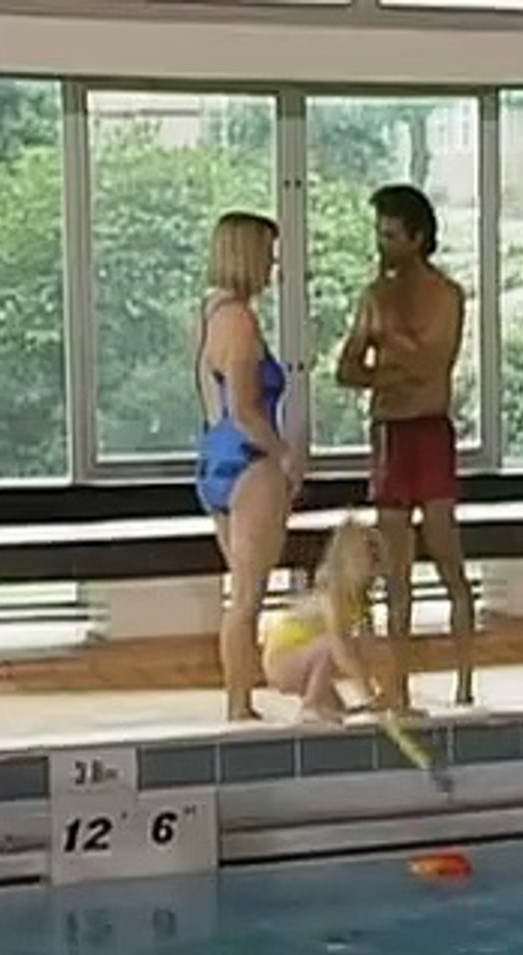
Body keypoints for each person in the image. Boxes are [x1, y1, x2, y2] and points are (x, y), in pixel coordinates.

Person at [336, 184, 475, 710]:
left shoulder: (447, 296)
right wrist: (387, 373)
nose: (383, 245)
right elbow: (347, 369)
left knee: (447, 558)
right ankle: (396, 689)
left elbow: (431, 363)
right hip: (390, 434)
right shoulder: (373, 296)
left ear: (417, 238)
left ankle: (465, 683)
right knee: (395, 572)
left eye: (392, 235)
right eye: (380, 234)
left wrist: (389, 343)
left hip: (429, 432)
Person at [195, 211, 300, 722]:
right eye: (268, 256)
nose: (272, 268)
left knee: (240, 590)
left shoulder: (209, 312)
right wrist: (285, 455)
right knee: (248, 596)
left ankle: (239, 699)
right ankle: (239, 705)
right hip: (249, 461)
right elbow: (245, 409)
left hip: (215, 458)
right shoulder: (238, 320)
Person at [262, 518, 381, 724]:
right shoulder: (331, 596)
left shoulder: (360, 601)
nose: (374, 559)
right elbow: (340, 648)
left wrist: (379, 692)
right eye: (368, 553)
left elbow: (367, 648)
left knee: (337, 712)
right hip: (283, 661)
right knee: (331, 644)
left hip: (309, 658)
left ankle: (319, 703)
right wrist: (368, 693)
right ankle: (311, 705)